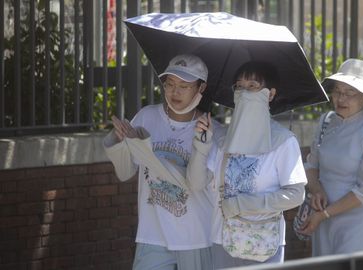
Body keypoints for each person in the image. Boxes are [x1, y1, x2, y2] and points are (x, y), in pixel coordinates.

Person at [189, 61, 307, 268]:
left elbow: (296, 195)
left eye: (252, 86)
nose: (244, 92)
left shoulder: (284, 140)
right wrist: (201, 145)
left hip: (265, 243)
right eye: (239, 87)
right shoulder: (221, 138)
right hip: (222, 239)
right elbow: (197, 184)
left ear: (270, 94)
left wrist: (241, 204)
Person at [103, 54, 215, 270]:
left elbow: (194, 184)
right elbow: (126, 173)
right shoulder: (146, 117)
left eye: (184, 86)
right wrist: (119, 144)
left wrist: (142, 147)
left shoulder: (212, 131)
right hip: (152, 233)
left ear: (201, 88)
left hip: (195, 236)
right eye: (170, 83)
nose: (175, 91)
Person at [297, 59, 363, 255]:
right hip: (321, 210)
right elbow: (311, 165)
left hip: (355, 218)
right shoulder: (326, 121)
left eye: (350, 93)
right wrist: (317, 190)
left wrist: (325, 214)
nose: (341, 98)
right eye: (337, 91)